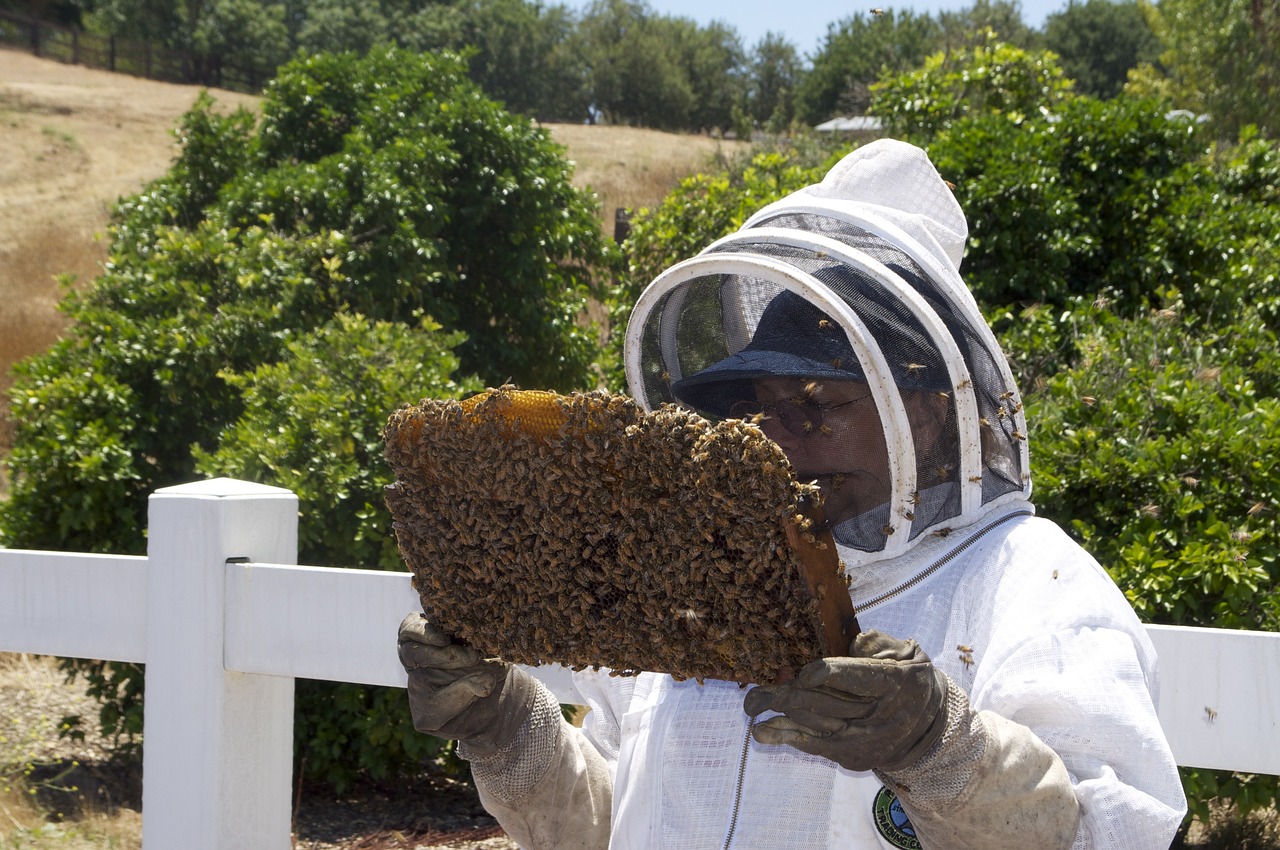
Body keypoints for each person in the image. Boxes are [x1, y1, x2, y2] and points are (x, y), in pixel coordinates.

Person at [397, 139, 1187, 849]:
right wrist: (504, 726)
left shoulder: (1029, 586)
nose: (779, 439)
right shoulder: (692, 581)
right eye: (760, 409)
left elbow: (1110, 832)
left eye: (815, 404)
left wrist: (939, 747)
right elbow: (607, 821)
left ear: (922, 413)